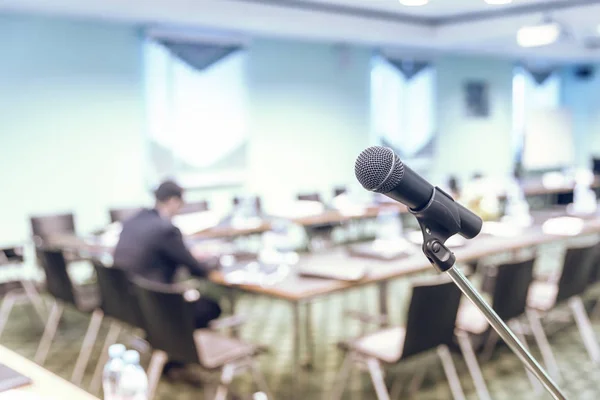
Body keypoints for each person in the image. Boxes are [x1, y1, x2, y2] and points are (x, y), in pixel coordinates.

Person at [113, 180, 222, 377]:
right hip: (157, 308)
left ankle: (172, 352)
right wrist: (213, 261)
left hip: (126, 303)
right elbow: (196, 269)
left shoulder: (134, 220)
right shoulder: (166, 230)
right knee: (211, 306)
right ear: (173, 201)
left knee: (190, 297)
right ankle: (180, 355)